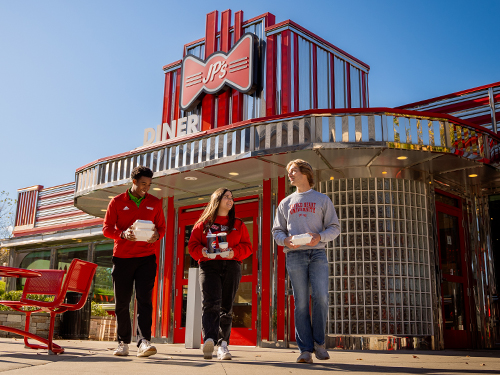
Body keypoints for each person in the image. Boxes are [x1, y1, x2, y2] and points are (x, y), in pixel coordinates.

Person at [272, 159, 340, 364]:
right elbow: (277, 231)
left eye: (293, 171)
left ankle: (319, 344)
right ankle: (305, 350)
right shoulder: (285, 203)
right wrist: (285, 241)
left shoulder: (322, 200)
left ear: (306, 172)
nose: (290, 175)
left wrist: (320, 237)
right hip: (295, 256)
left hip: (318, 254)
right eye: (289, 172)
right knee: (300, 302)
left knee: (321, 297)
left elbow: (334, 228)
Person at [103, 166, 166, 357]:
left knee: (145, 300)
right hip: (122, 258)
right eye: (143, 184)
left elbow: (162, 228)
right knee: (122, 302)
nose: (146, 188)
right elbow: (106, 229)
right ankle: (123, 343)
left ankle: (144, 342)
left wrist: (157, 235)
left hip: (146, 258)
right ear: (134, 182)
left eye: (149, 184)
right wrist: (122, 234)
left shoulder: (155, 203)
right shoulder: (116, 202)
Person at [188, 188, 252, 360]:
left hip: (232, 265)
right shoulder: (202, 224)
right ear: (217, 200)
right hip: (209, 266)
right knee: (210, 303)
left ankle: (223, 345)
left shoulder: (238, 224)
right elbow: (192, 246)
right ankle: (209, 339)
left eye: (232, 197)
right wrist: (202, 251)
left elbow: (248, 247)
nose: (230, 200)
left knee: (226, 306)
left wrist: (234, 252)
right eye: (226, 197)